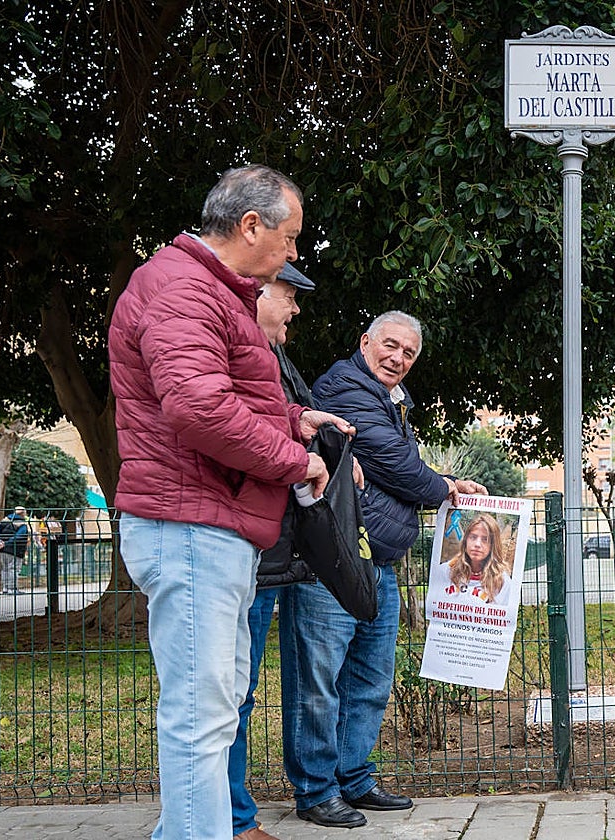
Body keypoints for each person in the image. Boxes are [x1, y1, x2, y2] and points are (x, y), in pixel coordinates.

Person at [108, 165, 353, 840]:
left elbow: (223, 395)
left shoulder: (203, 289)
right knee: (201, 712)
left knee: (213, 709)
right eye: (292, 236)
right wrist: (292, 458)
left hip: (211, 524)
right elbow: (199, 409)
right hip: (190, 524)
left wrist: (291, 417)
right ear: (251, 226)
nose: (294, 254)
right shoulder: (184, 289)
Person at [280, 310, 488, 828]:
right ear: (365, 342)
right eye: (390, 345)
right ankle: (316, 790)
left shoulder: (388, 400)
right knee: (318, 681)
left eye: (409, 353)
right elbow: (393, 461)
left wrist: (434, 479)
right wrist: (444, 487)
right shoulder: (347, 387)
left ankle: (353, 778)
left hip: (378, 561)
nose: (398, 357)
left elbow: (391, 465)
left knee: (369, 679)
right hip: (333, 560)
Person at [227, 261, 321, 840]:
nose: (294, 309)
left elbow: (282, 421)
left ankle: (228, 815)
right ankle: (232, 820)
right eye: (287, 296)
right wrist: (302, 455)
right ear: (257, 292)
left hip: (271, 552)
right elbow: (245, 433)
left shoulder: (275, 358)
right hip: (247, 552)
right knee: (229, 693)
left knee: (238, 689)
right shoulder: (240, 353)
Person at [443, 513, 514, 606]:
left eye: (485, 539)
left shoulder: (502, 580)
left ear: (493, 545)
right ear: (465, 541)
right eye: (473, 537)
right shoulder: (447, 571)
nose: (477, 544)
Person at [0, 506, 30, 594]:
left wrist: (0, 541)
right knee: (13, 569)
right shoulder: (22, 524)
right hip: (15, 550)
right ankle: (12, 588)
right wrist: (7, 543)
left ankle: (5, 588)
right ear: (23, 514)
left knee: (5, 569)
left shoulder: (5, 521)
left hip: (2, 549)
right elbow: (18, 537)